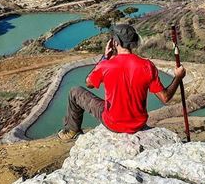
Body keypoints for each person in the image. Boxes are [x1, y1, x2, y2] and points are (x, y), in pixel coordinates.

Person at [57, 23, 186, 140]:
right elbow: (165, 97)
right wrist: (178, 77)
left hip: (113, 123)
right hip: (138, 124)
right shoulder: (147, 66)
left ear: (115, 42)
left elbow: (89, 83)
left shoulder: (106, 65)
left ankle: (72, 131)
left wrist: (104, 57)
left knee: (75, 92)